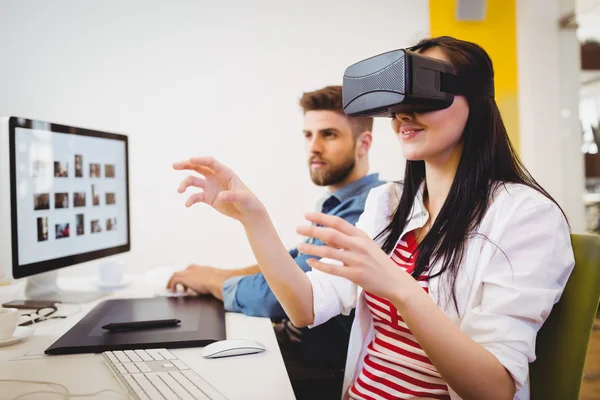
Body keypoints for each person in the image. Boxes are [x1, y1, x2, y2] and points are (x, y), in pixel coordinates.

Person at [172, 36, 574, 400]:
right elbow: (305, 307)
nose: (403, 115)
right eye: (399, 103)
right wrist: (253, 219)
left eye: (424, 96)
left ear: (475, 101)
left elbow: (494, 390)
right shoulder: (389, 203)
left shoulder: (527, 217)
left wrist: (399, 287)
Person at [169, 86, 385, 399]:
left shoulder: (366, 207)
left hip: (322, 368)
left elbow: (280, 296)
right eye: (308, 135)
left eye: (329, 135)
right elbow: (292, 261)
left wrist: (212, 281)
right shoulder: (339, 201)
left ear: (363, 143)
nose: (314, 147)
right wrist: (213, 275)